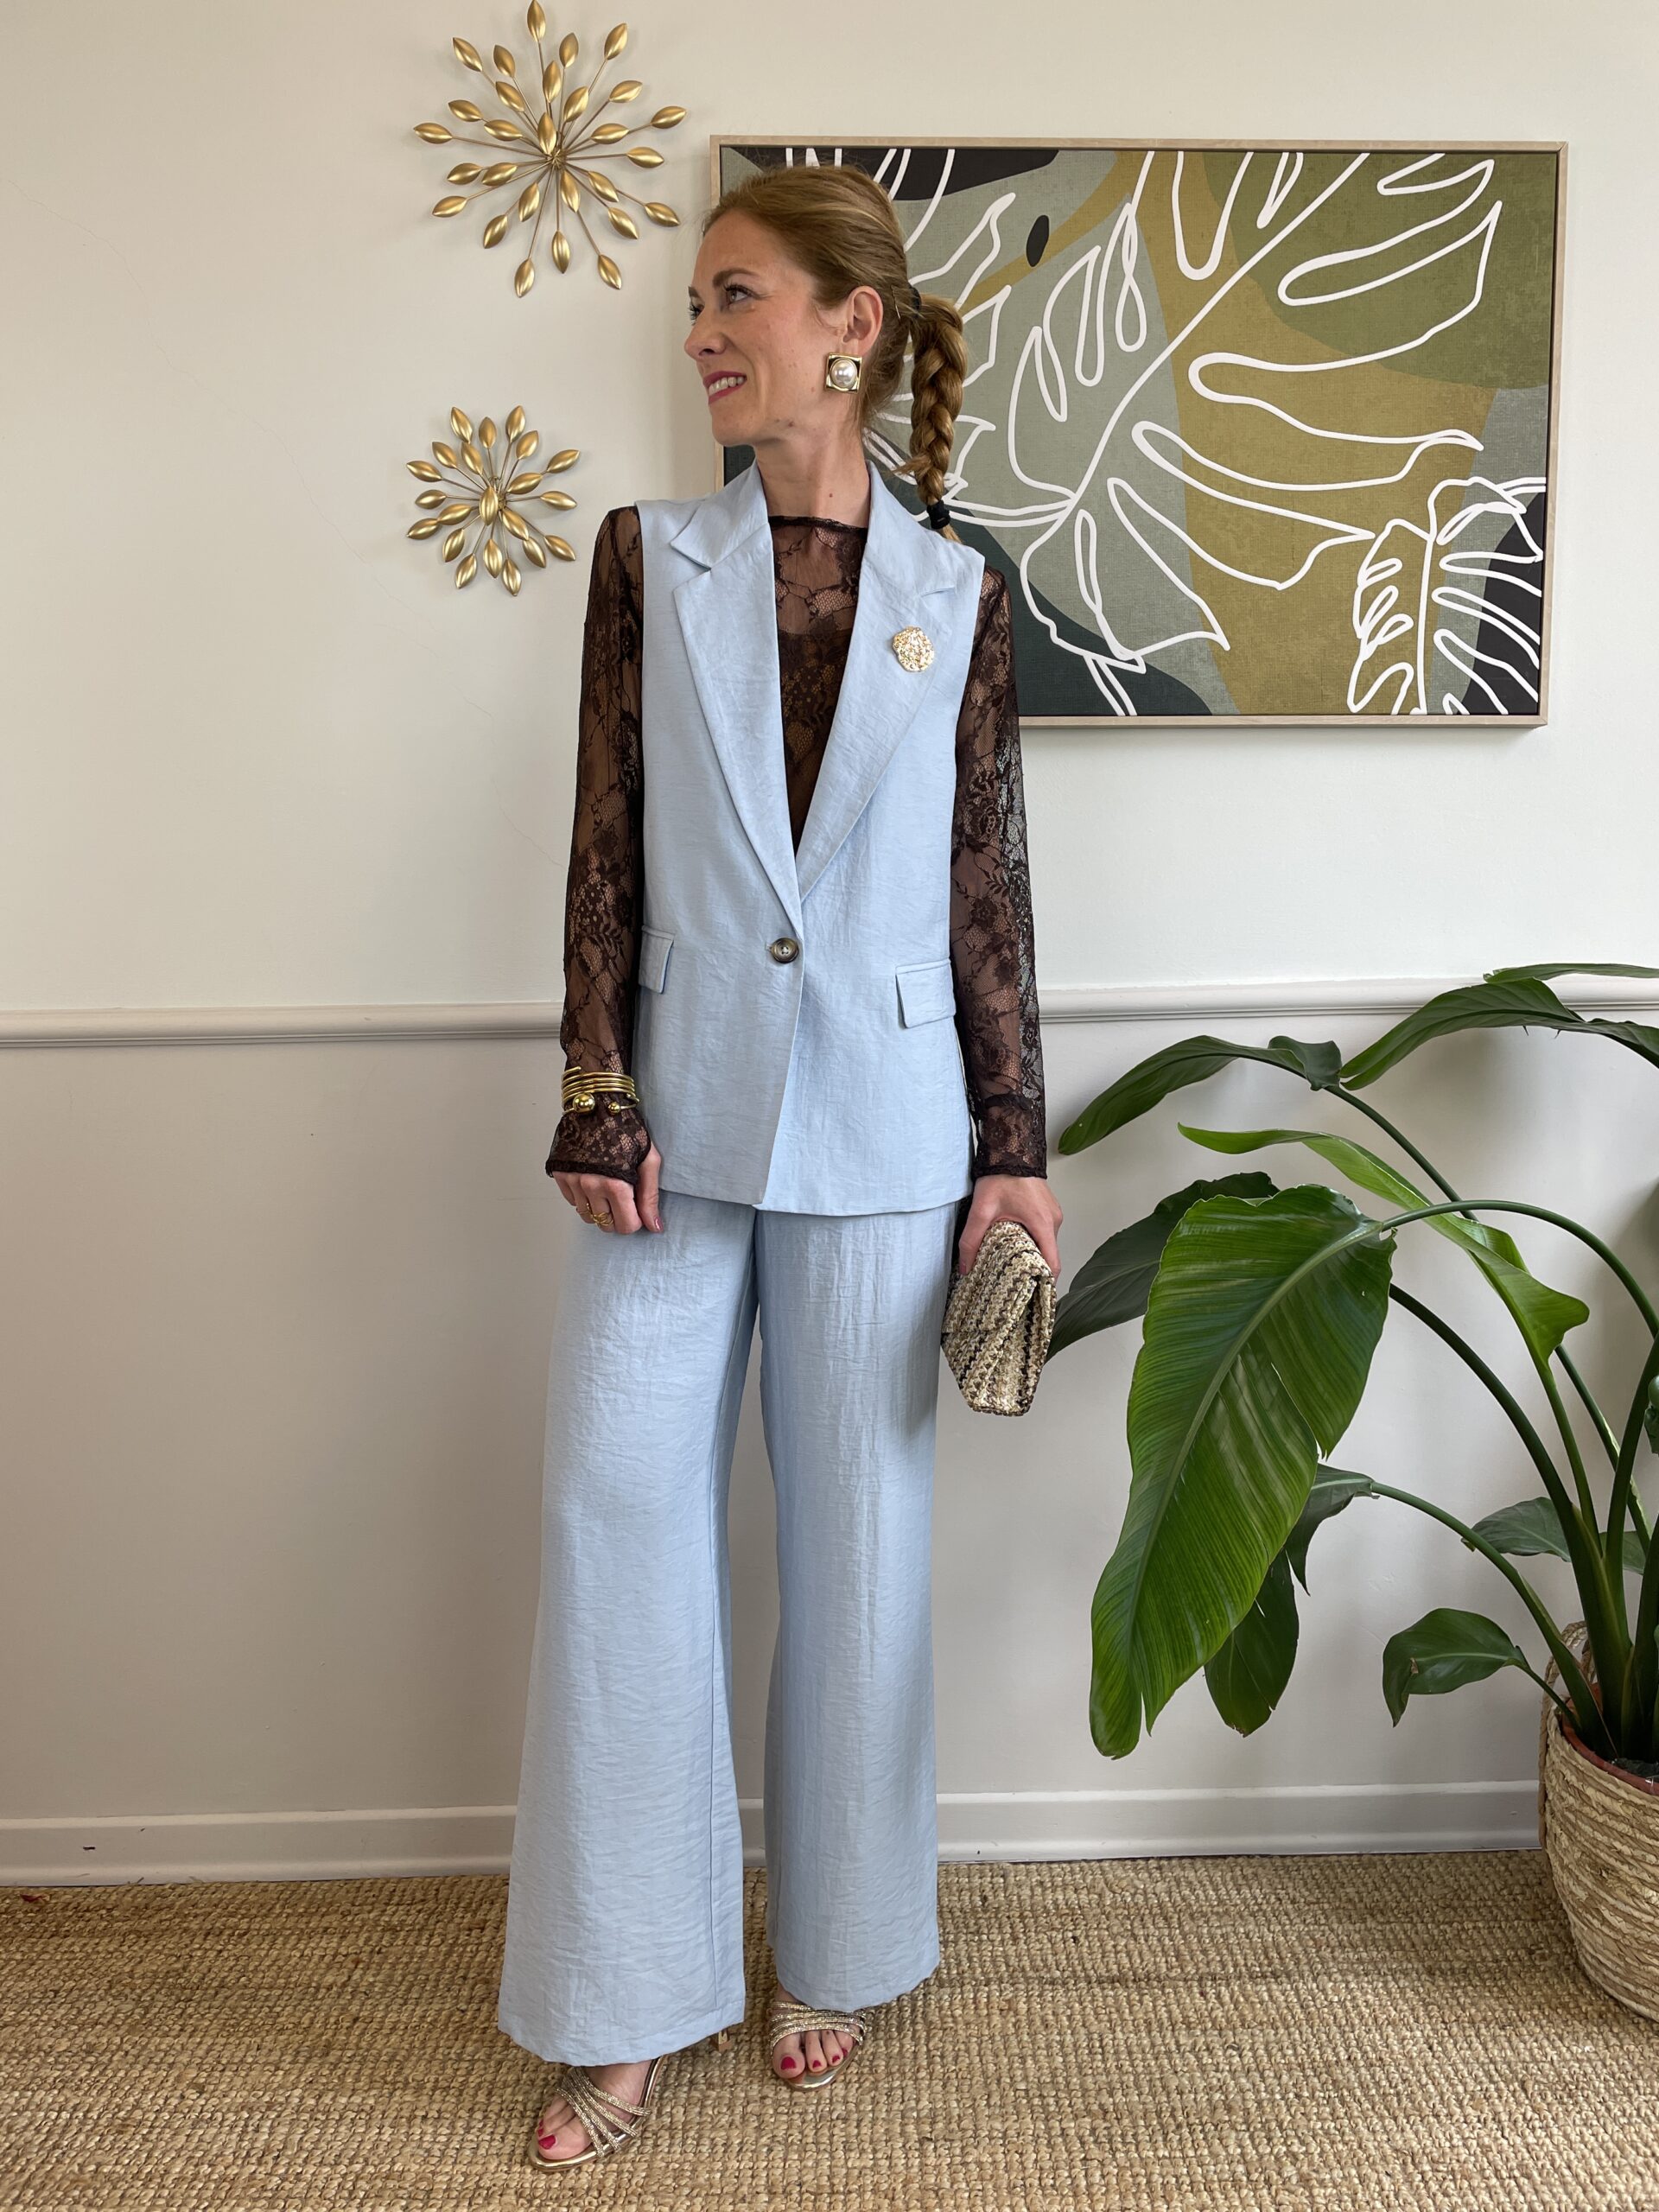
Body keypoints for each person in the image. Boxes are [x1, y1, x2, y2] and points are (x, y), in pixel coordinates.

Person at [495, 162, 1063, 2171]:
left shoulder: (960, 588)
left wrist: (1016, 1146)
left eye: (734, 294)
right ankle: (625, 1997)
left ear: (850, 321)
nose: (701, 333)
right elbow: (602, 834)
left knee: (860, 1547)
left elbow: (986, 875)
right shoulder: (648, 558)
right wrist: (596, 1080)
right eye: (694, 302)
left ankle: (837, 1941)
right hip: (674, 1120)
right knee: (615, 1516)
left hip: (894, 1128)